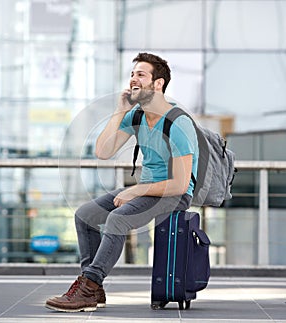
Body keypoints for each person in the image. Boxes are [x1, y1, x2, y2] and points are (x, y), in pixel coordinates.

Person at [45, 52, 199, 312]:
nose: (133, 80)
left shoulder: (177, 123)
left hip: (173, 193)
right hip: (147, 190)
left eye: (141, 74)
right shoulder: (137, 116)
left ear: (158, 83)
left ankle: (89, 285)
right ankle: (94, 290)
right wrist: (120, 110)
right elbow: (103, 151)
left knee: (118, 218)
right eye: (132, 74)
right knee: (85, 215)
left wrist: (137, 190)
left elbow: (181, 185)